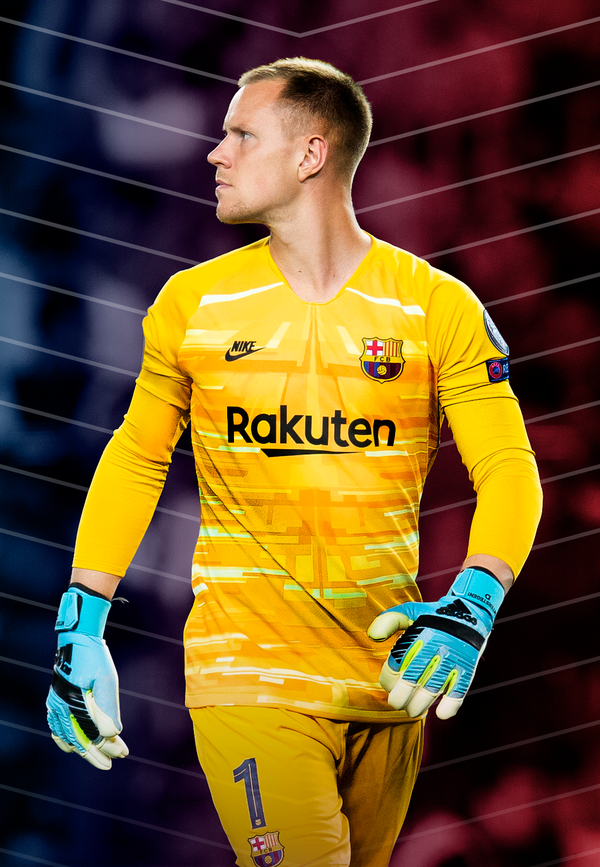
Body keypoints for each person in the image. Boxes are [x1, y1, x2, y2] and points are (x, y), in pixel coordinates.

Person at [46, 58, 543, 867]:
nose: (217, 152)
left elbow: (508, 465)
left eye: (242, 134)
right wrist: (80, 625)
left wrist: (474, 601)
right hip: (247, 673)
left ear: (312, 154)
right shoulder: (192, 305)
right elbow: (137, 456)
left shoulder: (437, 307)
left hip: (391, 682)